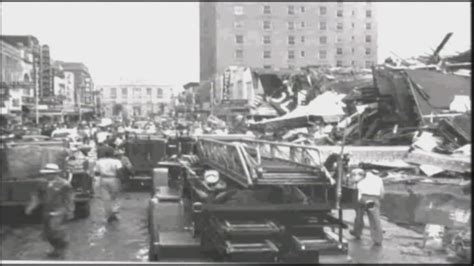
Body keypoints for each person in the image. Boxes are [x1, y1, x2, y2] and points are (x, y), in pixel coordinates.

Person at [25, 163, 75, 259]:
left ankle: (62, 252)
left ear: (55, 173)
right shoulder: (42, 183)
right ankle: (56, 249)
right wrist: (31, 206)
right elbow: (37, 196)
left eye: (49, 173)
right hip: (47, 210)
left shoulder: (64, 184)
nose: (47, 175)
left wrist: (70, 211)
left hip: (60, 210)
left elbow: (69, 199)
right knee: (48, 233)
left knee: (58, 232)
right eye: (46, 174)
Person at [349, 168, 385, 246]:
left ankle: (357, 233)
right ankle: (378, 239)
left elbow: (354, 188)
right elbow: (382, 193)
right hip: (374, 198)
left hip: (363, 198)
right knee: (375, 219)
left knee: (359, 216)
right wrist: (378, 200)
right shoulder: (379, 179)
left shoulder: (360, 178)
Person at [94, 146, 123, 223]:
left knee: (106, 198)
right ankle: (115, 213)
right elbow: (120, 171)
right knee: (115, 197)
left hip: (103, 179)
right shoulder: (117, 161)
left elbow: (96, 172)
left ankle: (108, 215)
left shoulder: (99, 161)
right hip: (114, 179)